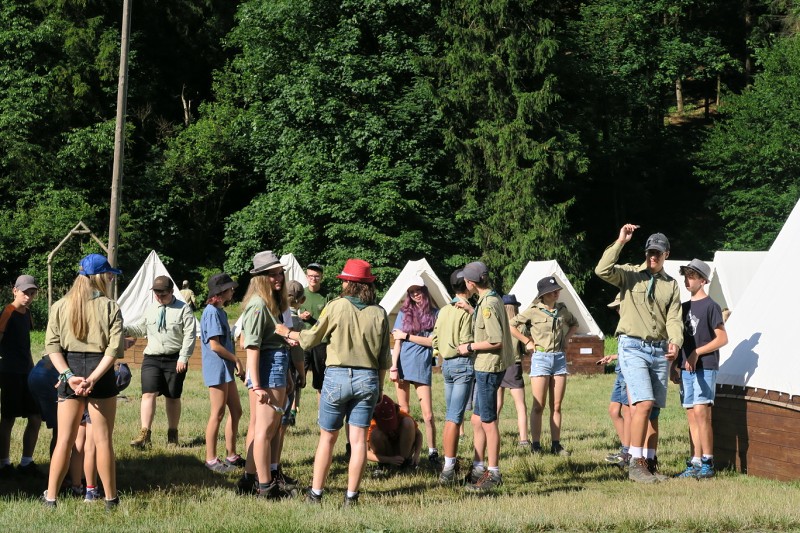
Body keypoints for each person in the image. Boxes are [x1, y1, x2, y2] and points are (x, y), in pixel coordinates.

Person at [276, 258, 390, 507]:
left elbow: (310, 339)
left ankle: (316, 494)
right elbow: (384, 359)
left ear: (349, 283)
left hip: (337, 376)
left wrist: (287, 332)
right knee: (358, 441)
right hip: (368, 379)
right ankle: (351, 497)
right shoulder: (380, 312)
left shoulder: (335, 306)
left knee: (327, 438)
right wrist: (380, 387)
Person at [595, 225, 683, 483]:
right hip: (632, 347)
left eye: (658, 253)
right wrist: (621, 241)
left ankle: (650, 462)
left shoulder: (671, 285)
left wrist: (676, 342)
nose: (653, 256)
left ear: (666, 254)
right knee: (643, 403)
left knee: (653, 410)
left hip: (659, 349)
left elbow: (674, 318)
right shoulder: (630, 274)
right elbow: (602, 270)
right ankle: (635, 462)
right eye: (650, 252)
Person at [42, 253, 123, 509]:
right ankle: (110, 499)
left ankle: (51, 498)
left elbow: (52, 346)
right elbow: (114, 348)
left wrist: (68, 376)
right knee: (103, 440)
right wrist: (94, 378)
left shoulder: (59, 306)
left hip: (71, 371)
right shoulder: (110, 307)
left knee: (64, 441)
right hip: (101, 372)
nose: (111, 279)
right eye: (109, 274)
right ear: (99, 276)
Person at [454, 261, 514, 492]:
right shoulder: (491, 298)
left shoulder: (487, 304)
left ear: (470, 283)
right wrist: (472, 311)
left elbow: (495, 340)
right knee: (477, 419)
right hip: (488, 366)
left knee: (488, 421)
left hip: (488, 367)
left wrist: (468, 347)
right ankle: (478, 467)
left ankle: (494, 473)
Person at [509, 277, 578, 456]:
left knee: (556, 406)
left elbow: (574, 324)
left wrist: (567, 338)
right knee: (538, 406)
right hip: (541, 359)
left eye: (557, 290)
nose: (556, 293)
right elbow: (511, 325)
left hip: (559, 359)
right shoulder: (533, 311)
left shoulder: (562, 310)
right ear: (543, 294)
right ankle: (536, 445)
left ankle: (556, 445)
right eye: (552, 291)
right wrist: (527, 341)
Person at [125, 275, 196, 449]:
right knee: (148, 394)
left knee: (172, 396)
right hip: (152, 358)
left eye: (163, 294)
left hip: (175, 358)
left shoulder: (183, 309)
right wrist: (123, 327)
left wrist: (183, 357)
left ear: (171, 292)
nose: (159, 297)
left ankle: (172, 434)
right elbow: (141, 329)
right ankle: (145, 434)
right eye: (156, 294)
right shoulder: (151, 309)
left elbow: (190, 335)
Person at [674, 259, 727, 479]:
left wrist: (697, 352)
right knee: (691, 415)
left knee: (701, 413)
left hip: (705, 367)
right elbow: (679, 339)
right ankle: (695, 461)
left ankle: (708, 461)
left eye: (692, 276)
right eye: (686, 276)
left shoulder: (711, 306)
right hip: (686, 368)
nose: (687, 281)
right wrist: (675, 364)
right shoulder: (683, 307)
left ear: (703, 280)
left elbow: (722, 339)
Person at [389, 275, 439, 466]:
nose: (415, 294)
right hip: (402, 364)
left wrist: (407, 336)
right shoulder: (404, 313)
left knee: (428, 415)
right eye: (411, 292)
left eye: (418, 290)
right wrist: (394, 366)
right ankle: (405, 452)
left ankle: (433, 451)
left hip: (421, 366)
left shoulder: (435, 313)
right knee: (404, 412)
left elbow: (432, 342)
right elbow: (397, 342)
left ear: (424, 290)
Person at [432, 269, 474, 485]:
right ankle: (448, 469)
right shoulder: (466, 311)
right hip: (462, 364)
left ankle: (450, 462)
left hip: (446, 365)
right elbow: (467, 342)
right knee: (454, 418)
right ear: (467, 285)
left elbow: (435, 339)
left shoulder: (443, 310)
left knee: (451, 416)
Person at [200, 272, 245, 473]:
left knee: (236, 411)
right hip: (216, 368)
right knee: (217, 413)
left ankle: (231, 455)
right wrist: (236, 360)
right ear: (220, 292)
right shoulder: (211, 312)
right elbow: (215, 346)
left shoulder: (221, 312)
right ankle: (210, 459)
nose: (232, 290)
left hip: (225, 368)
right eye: (229, 288)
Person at [0, 275, 42, 478]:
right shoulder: (7, 312)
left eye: (32, 293)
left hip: (28, 373)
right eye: (25, 292)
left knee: (35, 417)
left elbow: (25, 345)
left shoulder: (28, 314)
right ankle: (4, 464)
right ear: (14, 291)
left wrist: (33, 369)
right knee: (8, 418)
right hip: (9, 373)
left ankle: (26, 463)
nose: (28, 297)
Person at [598, 295, 631, 468]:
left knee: (627, 411)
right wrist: (613, 356)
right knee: (613, 411)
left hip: (628, 372)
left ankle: (628, 452)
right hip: (620, 371)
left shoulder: (632, 323)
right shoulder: (622, 323)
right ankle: (626, 449)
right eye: (616, 307)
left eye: (619, 306)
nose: (617, 310)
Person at [497, 294, 530, 451]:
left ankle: (492, 435)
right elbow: (525, 350)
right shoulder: (521, 326)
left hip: (497, 364)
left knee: (497, 404)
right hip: (514, 365)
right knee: (520, 405)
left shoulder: (497, 324)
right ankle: (523, 439)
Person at [367, 394, 422, 474]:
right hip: (386, 453)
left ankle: (404, 462)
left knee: (408, 422)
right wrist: (389, 460)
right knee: (375, 434)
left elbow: (419, 435)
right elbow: (364, 453)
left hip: (402, 449)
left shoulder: (402, 415)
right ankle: (384, 465)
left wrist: (416, 455)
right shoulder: (371, 424)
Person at [299, 263, 328, 400]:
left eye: (316, 276)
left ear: (321, 277)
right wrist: (300, 316)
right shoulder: (300, 293)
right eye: (310, 276)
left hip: (320, 341)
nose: (313, 279)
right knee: (298, 378)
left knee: (320, 380)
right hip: (302, 339)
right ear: (306, 276)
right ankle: (293, 409)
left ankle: (320, 411)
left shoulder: (327, 295)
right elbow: (290, 312)